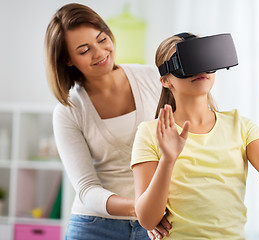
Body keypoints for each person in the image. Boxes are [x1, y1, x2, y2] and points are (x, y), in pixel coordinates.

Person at [130, 33, 259, 239]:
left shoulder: (240, 126)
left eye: (204, 60)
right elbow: (147, 220)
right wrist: (168, 159)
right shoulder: (151, 133)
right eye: (187, 63)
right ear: (165, 80)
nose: (200, 69)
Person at [45, 3, 170, 240]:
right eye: (84, 50)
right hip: (95, 225)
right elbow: (86, 188)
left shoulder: (154, 78)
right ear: (68, 60)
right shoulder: (68, 111)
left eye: (102, 39)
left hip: (160, 222)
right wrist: (142, 209)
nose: (100, 53)